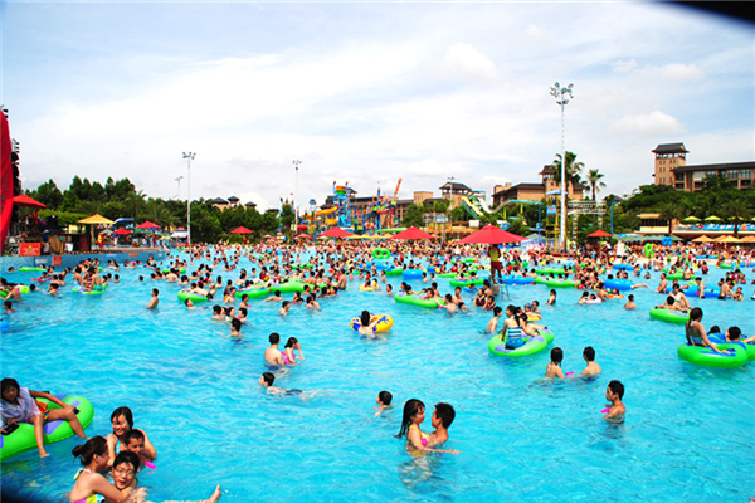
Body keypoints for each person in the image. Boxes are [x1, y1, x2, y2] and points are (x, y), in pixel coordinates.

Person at [1, 378, 87, 458]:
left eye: (13, 390)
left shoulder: (23, 392)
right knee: (38, 418)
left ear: (17, 389)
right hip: (26, 421)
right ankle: (41, 450)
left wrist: (63, 404)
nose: (11, 393)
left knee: (69, 413)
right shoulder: (1, 405)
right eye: (7, 391)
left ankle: (83, 438)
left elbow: (45, 395)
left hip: (38, 413)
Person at [106, 450, 221, 503]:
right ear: (113, 471)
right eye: (120, 471)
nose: (123, 476)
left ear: (135, 473)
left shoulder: (136, 491)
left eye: (129, 472)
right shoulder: (105, 487)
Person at [69, 436, 132, 503]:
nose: (109, 457)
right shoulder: (94, 478)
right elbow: (122, 497)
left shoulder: (82, 474)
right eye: (106, 454)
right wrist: (131, 483)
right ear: (96, 457)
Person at [395, 399, 459, 454]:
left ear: (439, 420)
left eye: (433, 415)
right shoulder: (415, 431)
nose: (431, 417)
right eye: (421, 413)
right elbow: (420, 448)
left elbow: (421, 447)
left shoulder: (438, 439)